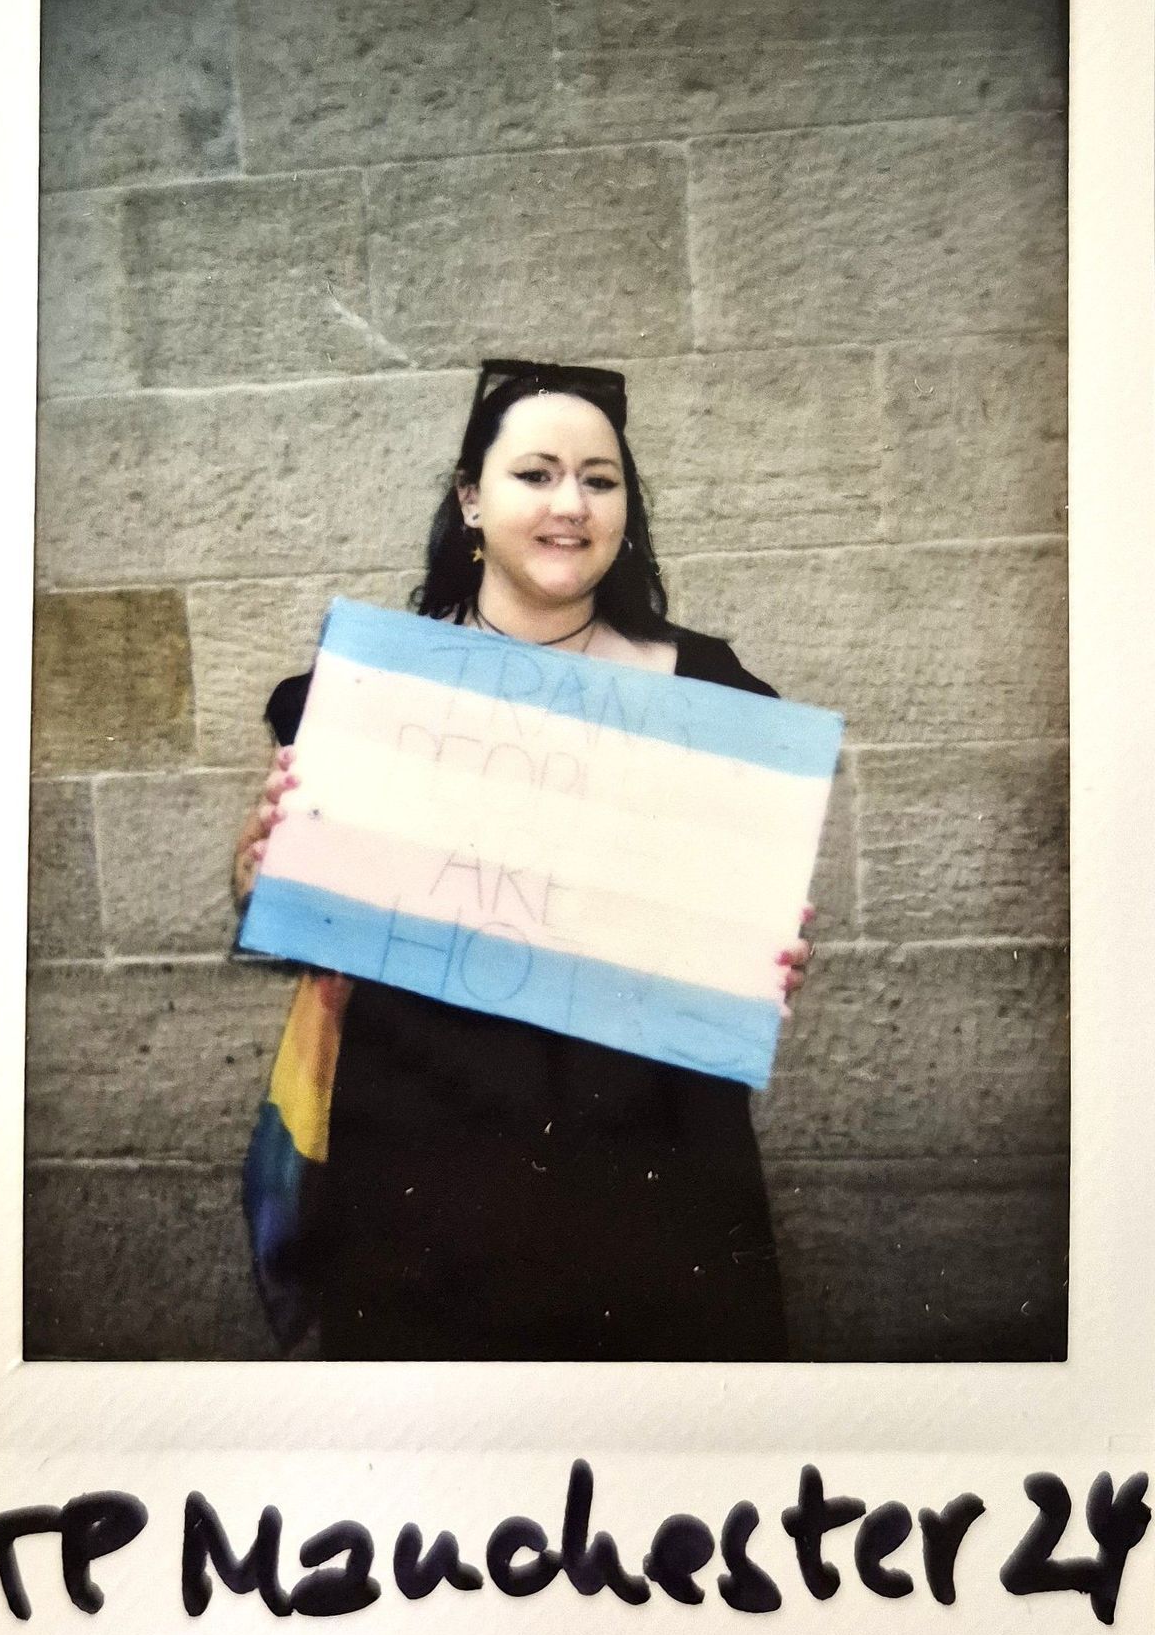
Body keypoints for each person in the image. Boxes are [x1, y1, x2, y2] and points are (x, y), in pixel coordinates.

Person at [233, 359, 813, 1360]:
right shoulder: (368, 697)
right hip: (424, 1159)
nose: (570, 503)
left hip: (656, 1158)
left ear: (625, 508)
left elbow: (742, 920)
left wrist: (767, 949)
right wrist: (257, 878)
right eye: (536, 474)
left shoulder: (714, 697)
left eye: (599, 479)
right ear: (472, 497)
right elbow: (302, 921)